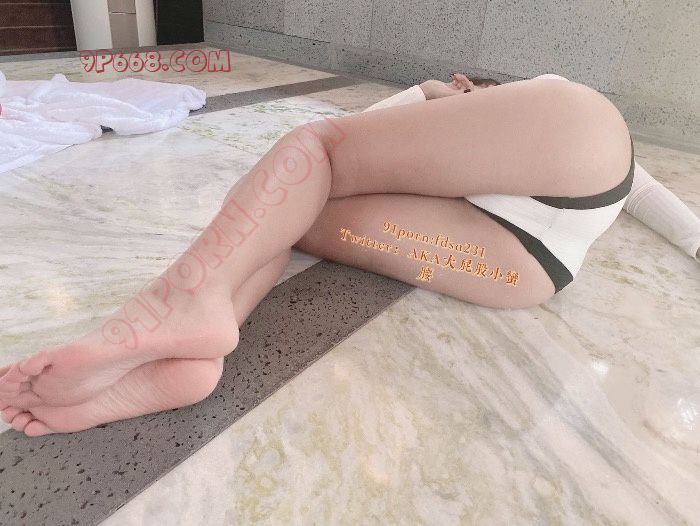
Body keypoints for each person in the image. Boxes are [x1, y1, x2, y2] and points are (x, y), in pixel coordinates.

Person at [0, 72, 687, 437]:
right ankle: (197, 348)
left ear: (478, 88)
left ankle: (175, 301)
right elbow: (317, 184)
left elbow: (331, 142)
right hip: (521, 270)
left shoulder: (538, 99)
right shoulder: (462, 139)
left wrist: (434, 95)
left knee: (316, 147)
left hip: (580, 148)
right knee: (293, 217)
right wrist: (421, 98)